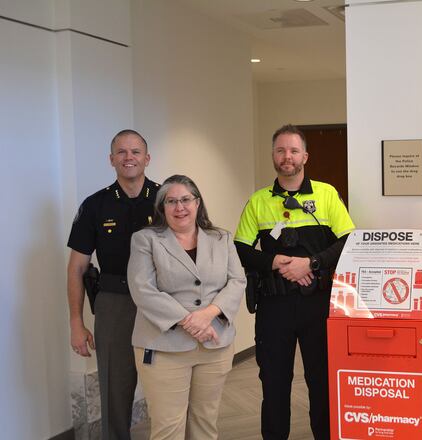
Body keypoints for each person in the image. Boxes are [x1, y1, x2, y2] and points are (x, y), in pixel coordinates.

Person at [234, 124, 355, 440]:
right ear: (273, 155)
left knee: (321, 381)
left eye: (293, 150)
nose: (287, 156)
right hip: (274, 306)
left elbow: (348, 241)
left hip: (318, 304)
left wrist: (311, 263)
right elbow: (240, 249)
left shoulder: (326, 194)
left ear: (305, 156)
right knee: (274, 383)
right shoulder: (258, 201)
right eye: (280, 150)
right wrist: (273, 261)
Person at [127, 174, 245, 439]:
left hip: (215, 345)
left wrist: (208, 314)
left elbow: (237, 280)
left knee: (205, 423)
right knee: (168, 427)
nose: (179, 207)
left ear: (197, 203)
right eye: (171, 201)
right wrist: (190, 321)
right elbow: (142, 289)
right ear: (162, 207)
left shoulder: (221, 238)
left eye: (185, 200)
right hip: (164, 347)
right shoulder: (146, 239)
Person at [66, 129, 158, 440]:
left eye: (135, 152)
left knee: (167, 388)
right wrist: (76, 323)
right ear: (111, 159)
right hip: (114, 303)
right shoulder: (95, 205)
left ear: (147, 158)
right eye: (121, 152)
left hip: (160, 303)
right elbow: (77, 268)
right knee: (114, 393)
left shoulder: (166, 199)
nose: (128, 157)